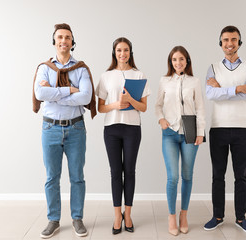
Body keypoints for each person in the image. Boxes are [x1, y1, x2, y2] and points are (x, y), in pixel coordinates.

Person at [33, 23, 96, 238]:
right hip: (50, 127)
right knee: (52, 177)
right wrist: (69, 90)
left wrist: (55, 94)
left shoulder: (80, 68)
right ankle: (54, 220)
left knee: (77, 177)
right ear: (54, 41)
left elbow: (86, 97)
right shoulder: (44, 67)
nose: (63, 41)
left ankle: (77, 218)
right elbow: (40, 93)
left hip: (76, 128)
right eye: (60, 37)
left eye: (67, 37)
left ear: (72, 42)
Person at [203, 25, 246, 235]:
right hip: (218, 127)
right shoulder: (213, 68)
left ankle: (241, 217)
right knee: (218, 175)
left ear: (239, 43)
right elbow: (210, 94)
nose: (229, 43)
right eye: (226, 40)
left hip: (242, 128)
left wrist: (223, 90)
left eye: (233, 39)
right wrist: (238, 88)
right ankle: (217, 216)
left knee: (240, 176)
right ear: (221, 43)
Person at [96, 37, 150, 235]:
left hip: (132, 128)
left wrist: (130, 101)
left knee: (130, 171)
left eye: (126, 50)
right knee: (115, 172)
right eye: (119, 50)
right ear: (114, 53)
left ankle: (128, 214)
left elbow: (143, 107)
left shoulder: (139, 74)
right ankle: (117, 215)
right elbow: (100, 107)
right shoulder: (106, 76)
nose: (122, 54)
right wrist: (116, 105)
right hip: (111, 128)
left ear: (130, 52)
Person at [155, 46, 206, 236]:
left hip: (190, 133)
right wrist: (160, 119)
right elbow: (158, 105)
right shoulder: (164, 81)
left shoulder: (195, 81)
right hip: (169, 133)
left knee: (187, 176)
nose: (178, 63)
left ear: (187, 61)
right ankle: (171, 216)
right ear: (170, 62)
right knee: (173, 177)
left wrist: (200, 132)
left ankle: (184, 215)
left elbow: (200, 108)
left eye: (181, 59)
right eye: (174, 60)